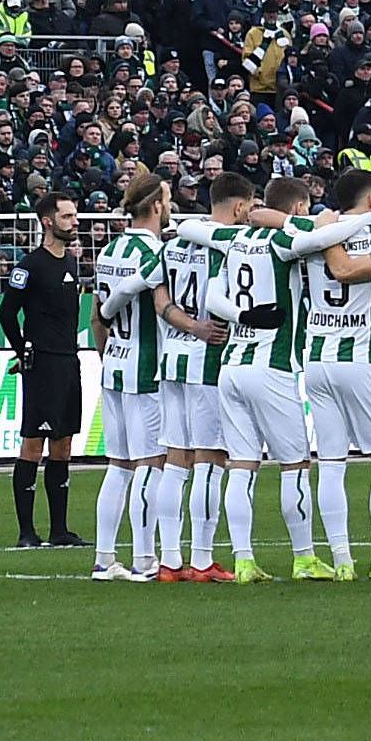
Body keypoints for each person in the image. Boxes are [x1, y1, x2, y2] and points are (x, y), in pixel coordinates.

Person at [174, 176, 364, 581]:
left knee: (241, 465)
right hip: (271, 368)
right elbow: (330, 234)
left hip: (231, 367)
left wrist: (242, 316)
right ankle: (304, 558)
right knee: (295, 466)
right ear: (295, 208)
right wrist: (362, 218)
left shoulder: (230, 241)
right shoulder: (282, 243)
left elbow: (200, 266)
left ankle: (243, 560)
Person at [89, 173, 208, 580]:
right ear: (156, 205)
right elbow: (126, 298)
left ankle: (104, 558)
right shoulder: (154, 252)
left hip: (114, 366)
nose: (171, 205)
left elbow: (98, 308)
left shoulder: (108, 250)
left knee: (119, 465)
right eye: (169, 198)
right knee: (150, 463)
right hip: (146, 369)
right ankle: (144, 560)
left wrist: (106, 342)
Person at [299, 170, 371, 578]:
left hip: (317, 359)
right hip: (362, 360)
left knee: (330, 462)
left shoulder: (314, 232)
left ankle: (342, 561)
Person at [2, 192, 86, 548]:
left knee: (63, 444)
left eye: (75, 215)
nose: (75, 222)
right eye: (67, 217)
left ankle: (59, 530)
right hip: (43, 364)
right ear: (47, 222)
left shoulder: (71, 263)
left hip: (69, 360)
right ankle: (26, 532)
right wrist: (24, 351)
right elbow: (7, 314)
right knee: (33, 444)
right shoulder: (29, 266)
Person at [157, 191, 231, 578]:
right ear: (239, 207)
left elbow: (159, 298)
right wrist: (202, 327)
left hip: (171, 357)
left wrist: (184, 325)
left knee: (175, 460)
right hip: (207, 361)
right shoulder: (226, 246)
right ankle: (202, 559)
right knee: (209, 458)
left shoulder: (171, 247)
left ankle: (169, 560)